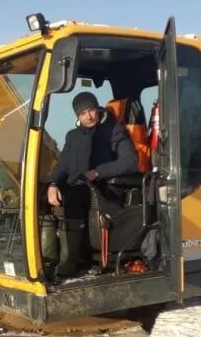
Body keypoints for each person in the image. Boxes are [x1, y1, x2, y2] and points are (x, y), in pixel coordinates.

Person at [45, 91, 138, 277]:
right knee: (40, 198)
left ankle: (70, 262)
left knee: (73, 197)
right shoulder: (72, 136)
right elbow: (63, 164)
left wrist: (97, 172)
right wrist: (53, 184)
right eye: (83, 113)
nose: (88, 116)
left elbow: (129, 161)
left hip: (103, 188)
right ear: (77, 116)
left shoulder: (113, 130)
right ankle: (48, 259)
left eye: (91, 110)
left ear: (97, 110)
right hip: (77, 186)